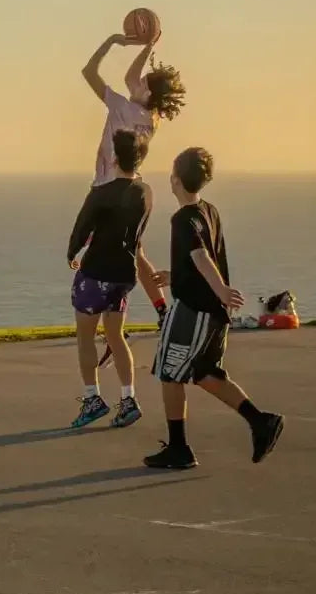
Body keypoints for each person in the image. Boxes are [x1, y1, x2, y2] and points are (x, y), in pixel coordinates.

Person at [145, 147, 285, 470]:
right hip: (215, 315)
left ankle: (179, 448)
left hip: (193, 312)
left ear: (176, 180)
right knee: (206, 373)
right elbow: (198, 258)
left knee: (169, 372)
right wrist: (174, 275)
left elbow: (200, 257)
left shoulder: (182, 219)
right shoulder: (210, 211)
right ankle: (261, 422)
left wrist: (220, 289)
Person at [81, 32, 185, 328]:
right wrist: (148, 46)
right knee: (136, 255)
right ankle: (163, 311)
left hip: (106, 190)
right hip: (133, 190)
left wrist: (112, 41)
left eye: (143, 84)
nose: (136, 82)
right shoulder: (152, 117)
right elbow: (131, 77)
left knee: (101, 258)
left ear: (149, 94)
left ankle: (110, 324)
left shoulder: (122, 108)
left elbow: (88, 72)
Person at [66, 129, 160, 430]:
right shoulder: (145, 193)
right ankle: (128, 398)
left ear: (114, 157)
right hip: (124, 274)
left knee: (85, 336)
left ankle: (92, 398)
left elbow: (82, 227)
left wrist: (72, 252)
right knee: (115, 335)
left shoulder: (101, 194)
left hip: (96, 273)